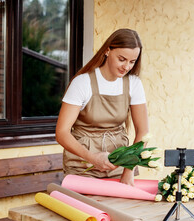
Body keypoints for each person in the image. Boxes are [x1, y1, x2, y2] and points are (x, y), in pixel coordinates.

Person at [55, 28, 148, 186]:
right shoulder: (82, 83)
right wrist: (92, 158)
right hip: (82, 167)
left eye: (132, 62)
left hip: (119, 167)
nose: (126, 67)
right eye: (122, 59)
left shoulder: (134, 84)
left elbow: (143, 133)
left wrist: (128, 170)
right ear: (107, 50)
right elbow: (62, 132)